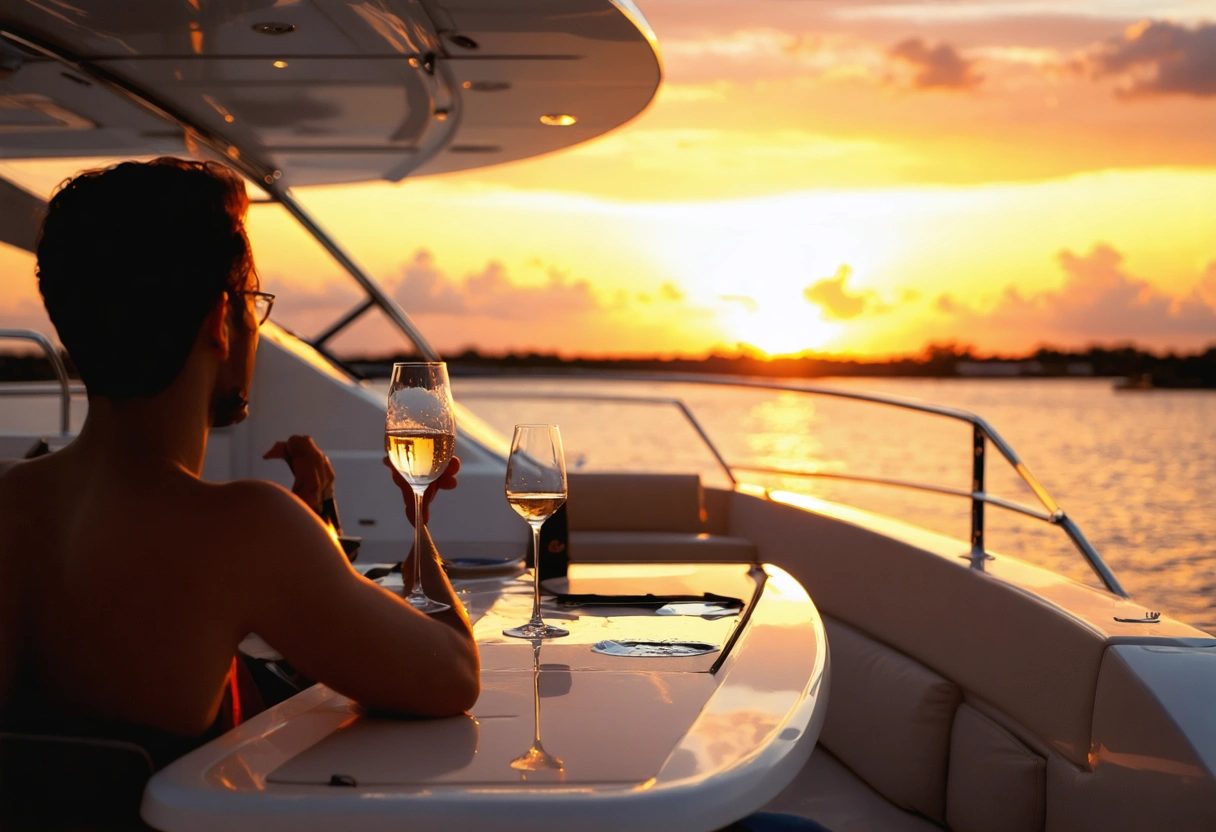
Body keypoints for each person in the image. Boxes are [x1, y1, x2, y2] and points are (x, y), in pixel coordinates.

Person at [0, 158, 479, 757]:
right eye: (252, 302)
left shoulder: (11, 498)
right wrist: (418, 516)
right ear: (217, 322)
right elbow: (453, 674)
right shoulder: (245, 530)